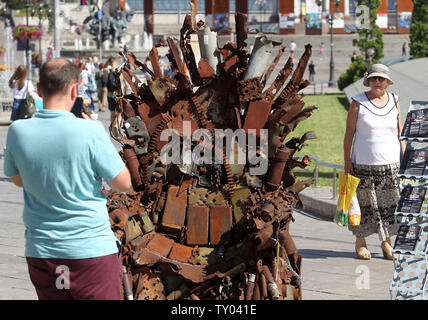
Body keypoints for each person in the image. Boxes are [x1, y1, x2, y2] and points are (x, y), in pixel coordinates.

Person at [3, 58, 133, 300]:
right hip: (91, 251)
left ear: (39, 90)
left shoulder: (17, 131)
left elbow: (18, 180)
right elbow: (124, 184)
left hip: (43, 252)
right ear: (75, 89)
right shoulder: (91, 131)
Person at [343, 63, 405, 261]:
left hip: (391, 164)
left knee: (388, 207)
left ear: (387, 82)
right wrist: (346, 161)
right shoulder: (358, 101)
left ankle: (386, 243)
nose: (377, 82)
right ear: (368, 81)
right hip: (363, 163)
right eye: (373, 78)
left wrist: (405, 159)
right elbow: (349, 133)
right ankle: (360, 242)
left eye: (381, 78)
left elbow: (399, 131)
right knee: (363, 205)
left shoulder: (395, 100)